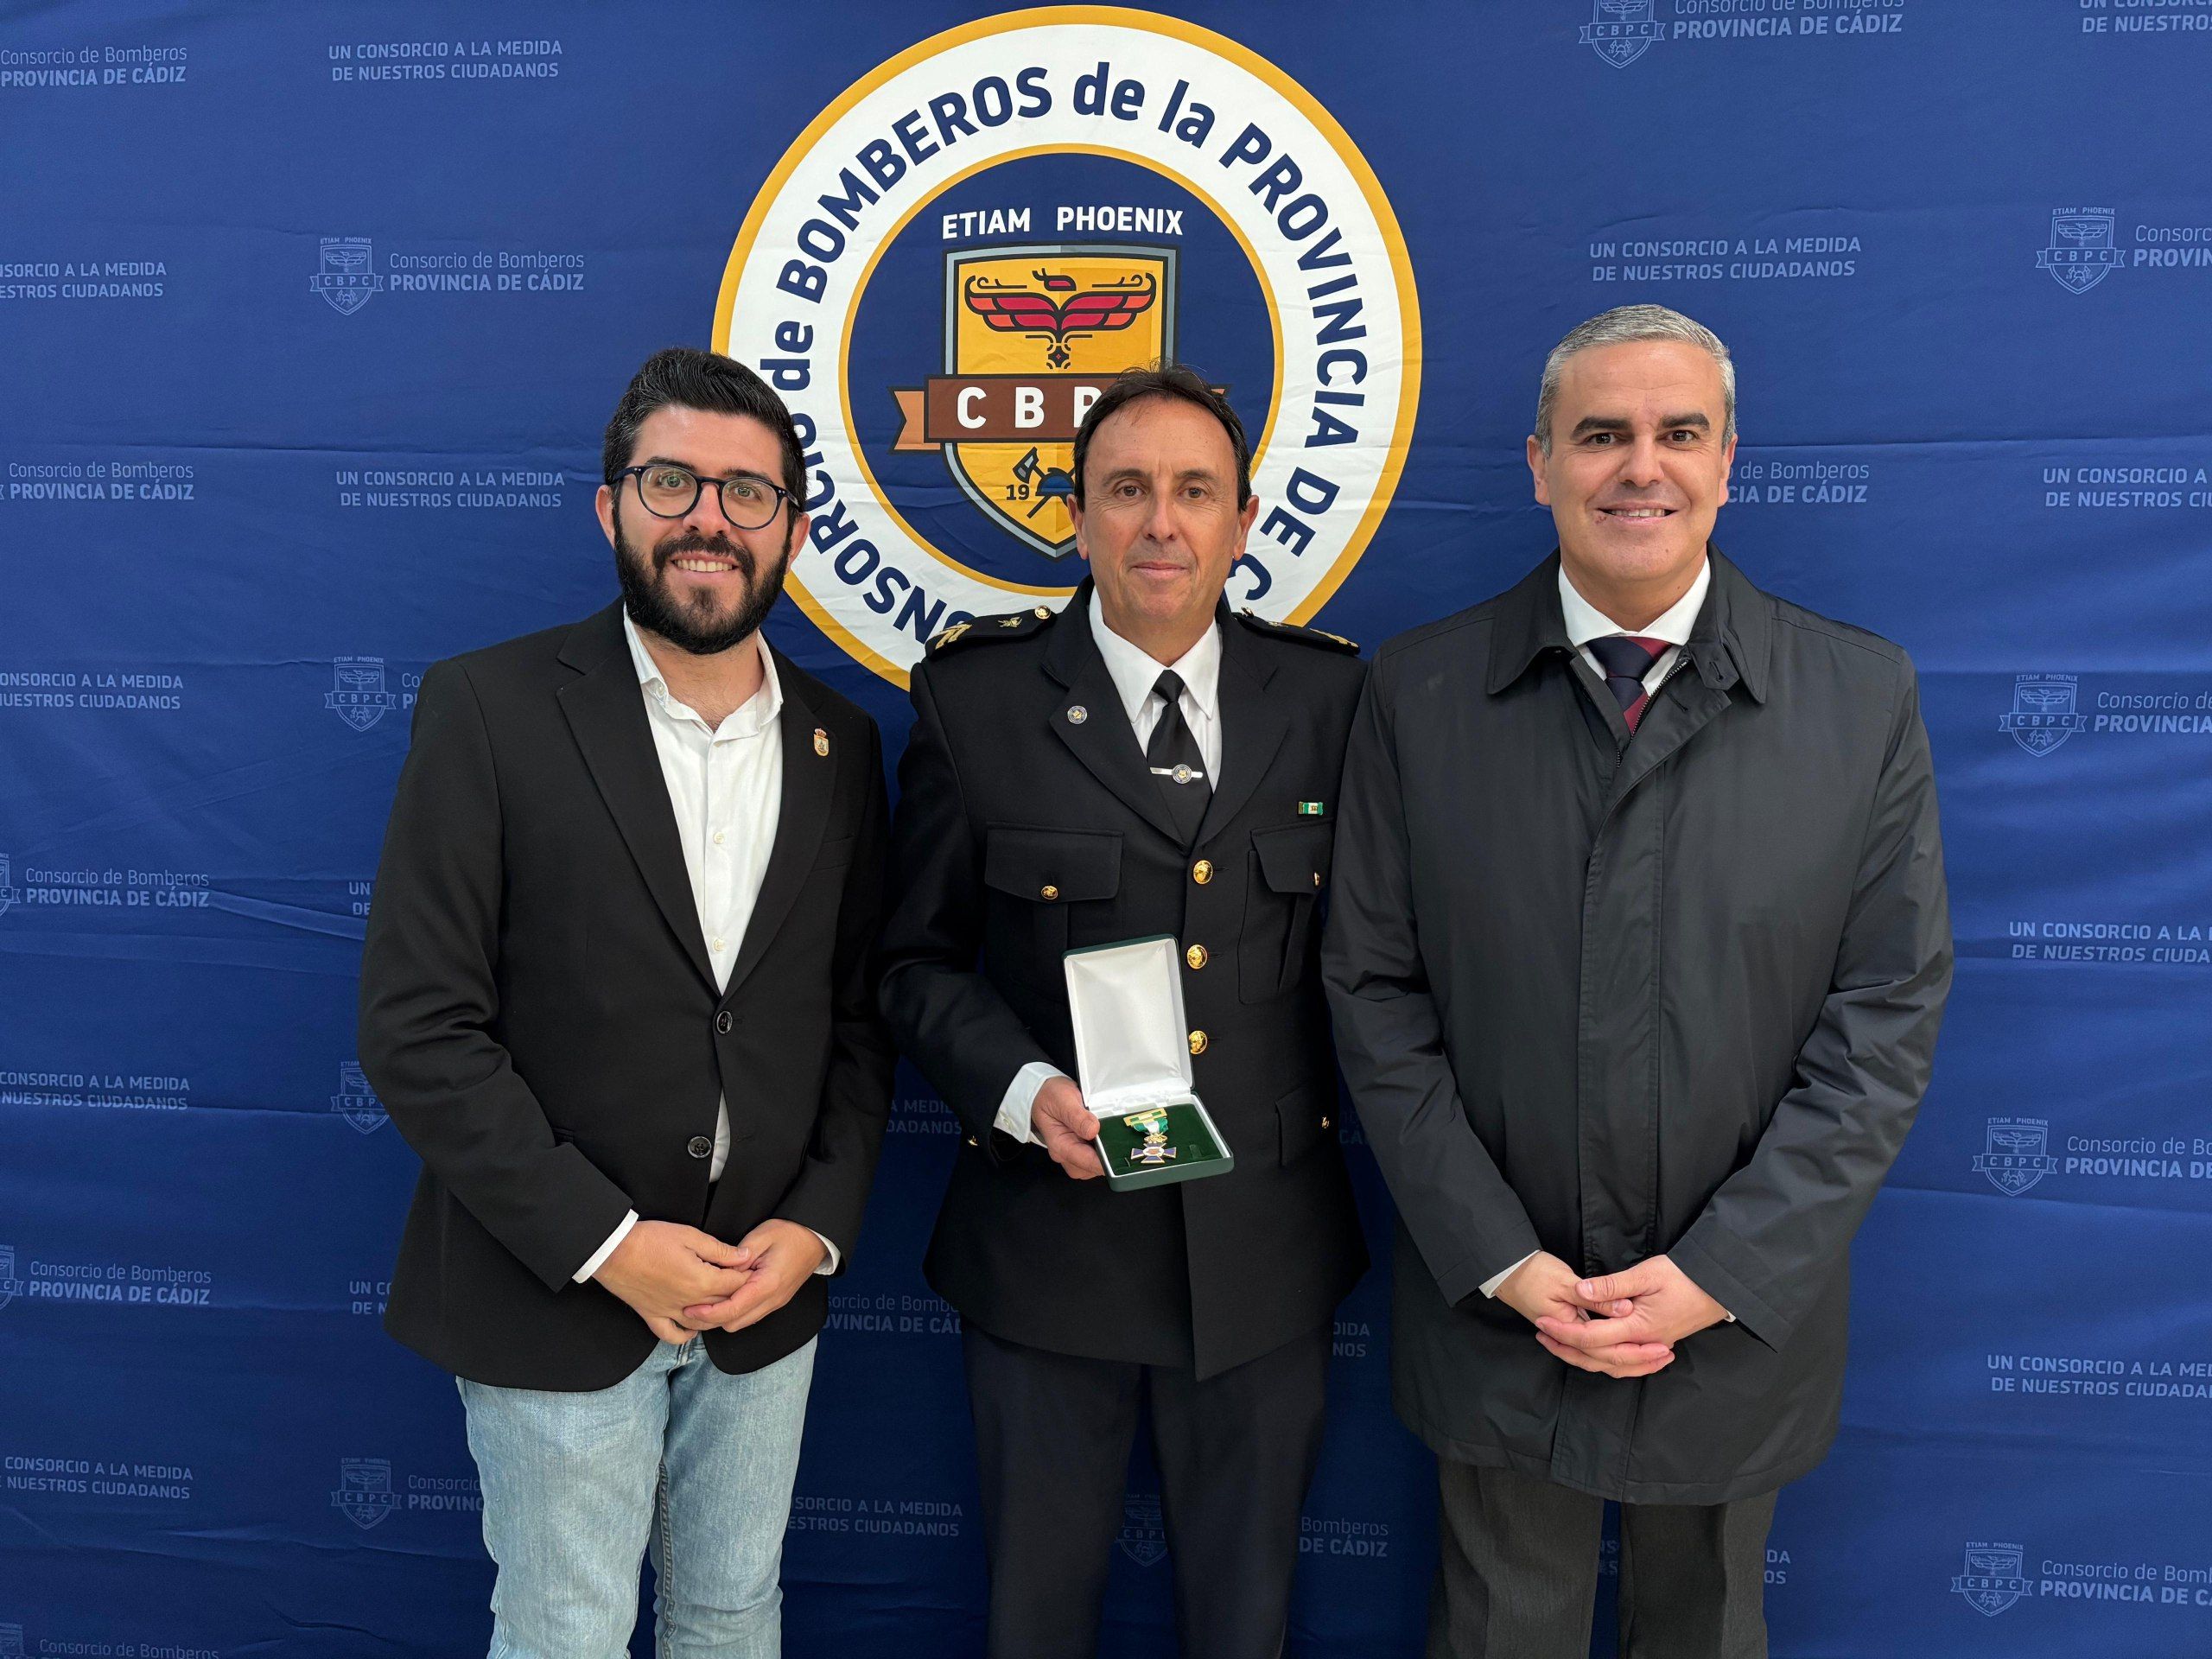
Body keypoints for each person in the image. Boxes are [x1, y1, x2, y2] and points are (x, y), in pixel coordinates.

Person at [1322, 304, 1951, 1658]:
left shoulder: (1858, 700)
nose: (1640, 467)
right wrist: (1504, 1261)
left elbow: (1886, 1018)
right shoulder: (1419, 696)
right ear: (1539, 462)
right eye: (1601, 434)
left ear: (1729, 463)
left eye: (1680, 433)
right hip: (1499, 1310)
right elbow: (1373, 996)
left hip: (1734, 1320)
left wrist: (1723, 1271)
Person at [358, 346, 895, 1657]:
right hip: (555, 1290)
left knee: (733, 1621)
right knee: (567, 1633)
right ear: (611, 507)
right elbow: (418, 1028)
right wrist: (609, 1243)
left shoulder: (843, 746)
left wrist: (814, 1231)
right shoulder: (488, 710)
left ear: (794, 531)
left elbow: (859, 1020)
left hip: (763, 1299)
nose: (710, 518)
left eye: (747, 493)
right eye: (672, 483)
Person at [878, 364, 1368, 1659]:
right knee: (1035, 1624)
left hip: (1265, 1251)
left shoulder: (1331, 702)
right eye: (1127, 489)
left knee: (1246, 1626)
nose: (1162, 522)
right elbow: (913, 963)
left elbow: (1376, 961)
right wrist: (1020, 1089)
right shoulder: (974, 703)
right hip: (1049, 1248)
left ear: (1244, 521)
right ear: (1076, 517)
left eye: (1196, 492)